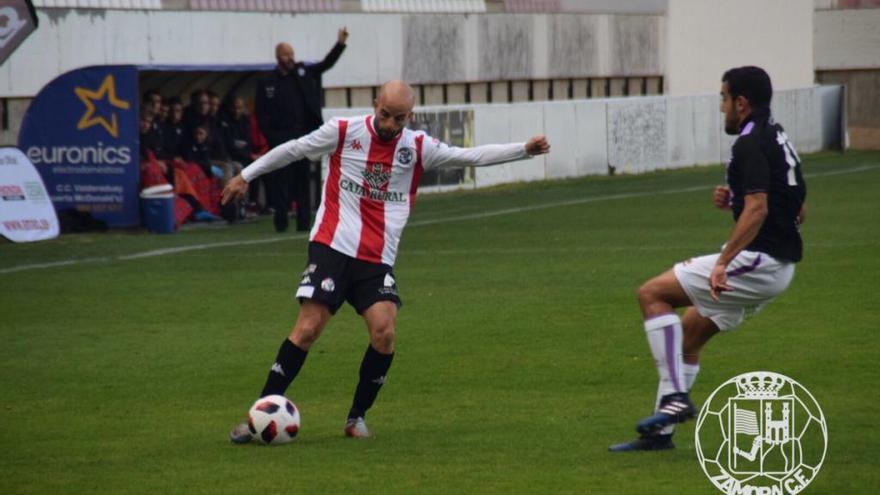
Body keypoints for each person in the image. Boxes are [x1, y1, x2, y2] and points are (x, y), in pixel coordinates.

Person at [223, 80, 551, 442]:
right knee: (308, 328)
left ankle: (356, 418)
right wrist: (245, 175)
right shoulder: (343, 132)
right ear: (374, 103)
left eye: (399, 119)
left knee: (385, 332)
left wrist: (524, 150)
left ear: (410, 116)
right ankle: (258, 418)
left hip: (376, 259)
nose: (390, 125)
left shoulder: (418, 148)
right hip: (333, 245)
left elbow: (468, 155)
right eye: (384, 115)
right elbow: (295, 149)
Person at [609, 66, 807, 451]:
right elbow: (797, 208)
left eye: (723, 98)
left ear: (741, 103)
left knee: (652, 294)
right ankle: (660, 435)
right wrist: (734, 200)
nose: (722, 108)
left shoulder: (749, 143)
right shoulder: (777, 136)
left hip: (760, 261)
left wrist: (722, 262)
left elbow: (759, 209)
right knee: (688, 333)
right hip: (776, 265)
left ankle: (675, 399)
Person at [255, 27, 348, 232]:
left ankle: (304, 222)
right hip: (280, 136)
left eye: (292, 54)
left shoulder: (303, 73)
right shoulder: (267, 82)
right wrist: (271, 135)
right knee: (281, 180)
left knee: (302, 179)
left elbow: (325, 64)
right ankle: (281, 221)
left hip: (303, 135)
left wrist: (340, 44)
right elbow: (260, 112)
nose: (291, 57)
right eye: (287, 54)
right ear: (278, 56)